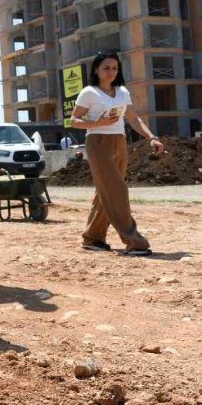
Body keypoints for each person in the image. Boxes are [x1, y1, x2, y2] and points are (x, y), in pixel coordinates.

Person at [69, 51, 163, 256]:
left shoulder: (122, 92)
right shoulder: (89, 92)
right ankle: (134, 242)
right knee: (117, 191)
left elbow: (133, 118)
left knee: (106, 191)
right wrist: (97, 123)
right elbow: (73, 120)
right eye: (106, 68)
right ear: (96, 69)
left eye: (114, 68)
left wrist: (151, 137)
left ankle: (93, 238)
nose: (111, 72)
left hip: (119, 141)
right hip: (98, 142)